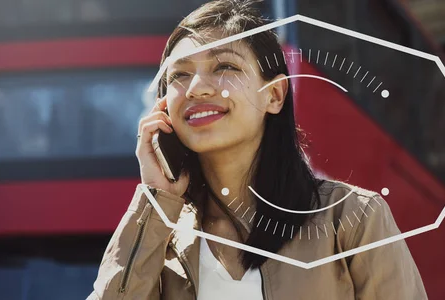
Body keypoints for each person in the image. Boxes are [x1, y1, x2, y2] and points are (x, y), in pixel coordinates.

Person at [88, 0, 427, 299]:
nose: (196, 88)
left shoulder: (353, 217)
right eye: (179, 75)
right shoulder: (164, 238)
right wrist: (155, 199)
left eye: (225, 67)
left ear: (275, 96)